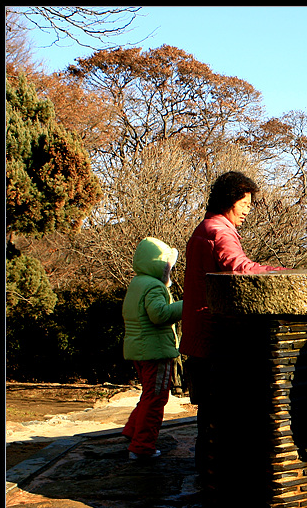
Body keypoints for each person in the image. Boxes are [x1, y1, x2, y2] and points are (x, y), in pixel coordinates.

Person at [180, 171, 287, 474]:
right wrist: (280, 272)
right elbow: (239, 268)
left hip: (198, 336)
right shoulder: (220, 231)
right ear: (231, 200)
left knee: (209, 416)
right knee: (222, 415)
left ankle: (208, 479)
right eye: (245, 204)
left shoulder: (204, 228)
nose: (247, 211)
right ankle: (218, 484)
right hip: (214, 337)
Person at [122, 237, 184, 460]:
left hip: (140, 350)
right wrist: (188, 305)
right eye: (167, 265)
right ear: (158, 264)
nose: (169, 269)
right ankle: (142, 446)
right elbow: (159, 315)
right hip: (155, 351)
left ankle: (132, 432)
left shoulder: (138, 283)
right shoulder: (154, 286)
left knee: (148, 395)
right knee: (157, 399)